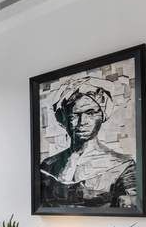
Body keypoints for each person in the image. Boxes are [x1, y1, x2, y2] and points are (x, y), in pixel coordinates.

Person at [39, 76, 137, 208]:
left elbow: (131, 207)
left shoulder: (123, 166)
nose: (82, 122)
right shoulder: (48, 166)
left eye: (90, 113)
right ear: (64, 119)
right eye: (75, 114)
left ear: (101, 116)